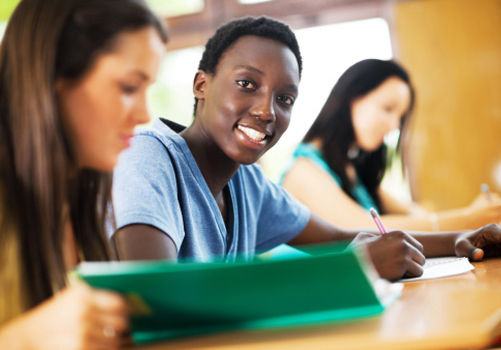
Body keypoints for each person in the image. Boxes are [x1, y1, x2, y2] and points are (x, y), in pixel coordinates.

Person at [110, 17, 501, 284]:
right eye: (247, 83)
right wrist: (346, 270)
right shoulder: (149, 158)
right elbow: (155, 293)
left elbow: (345, 238)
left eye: (285, 98)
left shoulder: (247, 184)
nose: (267, 111)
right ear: (201, 85)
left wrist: (460, 238)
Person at [0, 0, 167, 348]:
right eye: (128, 88)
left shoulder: (82, 200)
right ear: (56, 74)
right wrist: (24, 339)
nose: (144, 114)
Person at [280, 59, 501, 231]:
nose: (395, 125)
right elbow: (363, 229)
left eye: (400, 116)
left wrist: (477, 217)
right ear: (351, 98)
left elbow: (416, 215)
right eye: (387, 109)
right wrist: (468, 219)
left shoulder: (351, 169)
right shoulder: (304, 169)